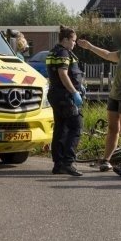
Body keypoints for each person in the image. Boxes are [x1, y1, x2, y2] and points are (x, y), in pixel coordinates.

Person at [77, 27, 121, 171]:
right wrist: (90, 47)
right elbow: (108, 55)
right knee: (112, 128)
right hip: (114, 96)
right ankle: (106, 160)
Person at [46, 26, 85, 177]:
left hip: (56, 94)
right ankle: (68, 162)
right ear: (66, 39)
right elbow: (63, 73)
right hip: (65, 96)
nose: (74, 43)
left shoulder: (53, 51)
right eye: (73, 40)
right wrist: (74, 91)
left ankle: (58, 164)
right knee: (76, 126)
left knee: (61, 129)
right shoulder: (63, 53)